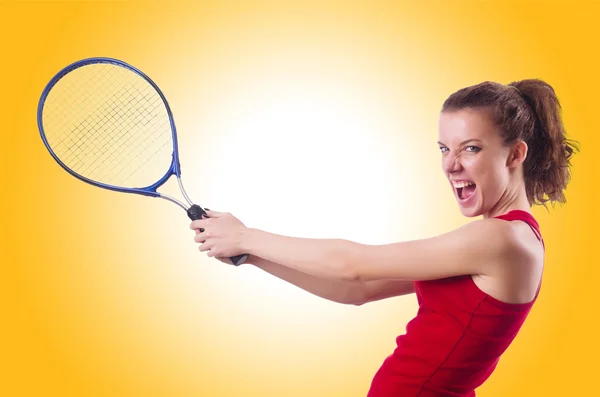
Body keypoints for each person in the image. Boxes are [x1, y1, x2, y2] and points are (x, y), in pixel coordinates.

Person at [190, 79, 578, 396]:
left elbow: (353, 266)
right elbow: (360, 290)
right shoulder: (492, 242)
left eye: (470, 149)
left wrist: (246, 236)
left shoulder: (503, 241)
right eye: (444, 149)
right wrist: (251, 255)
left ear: (515, 155)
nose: (450, 164)